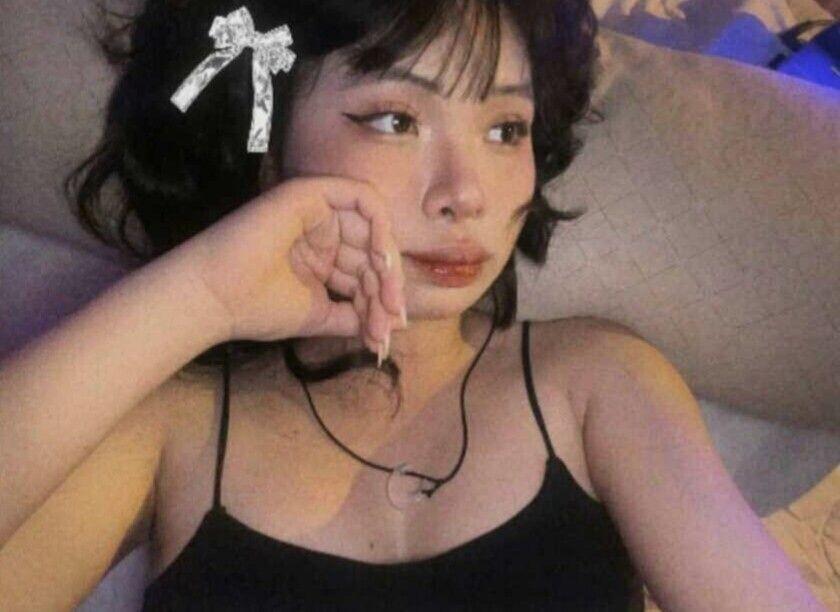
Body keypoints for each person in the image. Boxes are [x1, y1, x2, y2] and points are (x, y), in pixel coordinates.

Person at [0, 0, 826, 610]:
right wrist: (204, 295)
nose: (466, 193)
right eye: (395, 119)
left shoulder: (596, 381)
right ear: (267, 141)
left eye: (505, 130)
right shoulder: (174, 423)